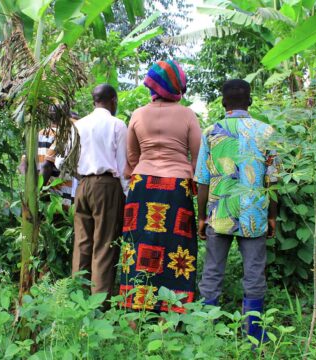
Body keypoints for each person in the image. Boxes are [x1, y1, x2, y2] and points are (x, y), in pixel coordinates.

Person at [195, 79, 278, 343]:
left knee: (212, 270)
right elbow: (273, 180)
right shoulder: (267, 132)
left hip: (219, 212)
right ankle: (253, 333)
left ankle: (207, 331)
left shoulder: (211, 132)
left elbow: (203, 180)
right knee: (254, 271)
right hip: (254, 213)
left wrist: (201, 216)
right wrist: (273, 215)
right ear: (250, 101)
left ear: (223, 102)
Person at [119, 60, 201, 313]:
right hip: (177, 188)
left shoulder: (138, 114)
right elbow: (198, 156)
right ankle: (170, 314)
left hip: (142, 186)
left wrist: (145, 167)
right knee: (176, 247)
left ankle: (135, 312)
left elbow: (131, 155)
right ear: (178, 87)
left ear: (152, 85)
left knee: (139, 244)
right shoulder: (188, 115)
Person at [72, 84, 128, 302]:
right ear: (113, 100)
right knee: (104, 244)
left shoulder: (79, 125)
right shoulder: (117, 124)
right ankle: (98, 303)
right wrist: (127, 194)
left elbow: (63, 160)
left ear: (94, 100)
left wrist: (81, 178)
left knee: (82, 242)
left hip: (83, 184)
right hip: (107, 186)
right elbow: (123, 165)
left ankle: (75, 297)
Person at [39, 106, 80, 208]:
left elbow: (25, 164)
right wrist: (39, 189)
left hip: (42, 187)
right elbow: (47, 165)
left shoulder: (39, 133)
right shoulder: (65, 135)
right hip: (59, 191)